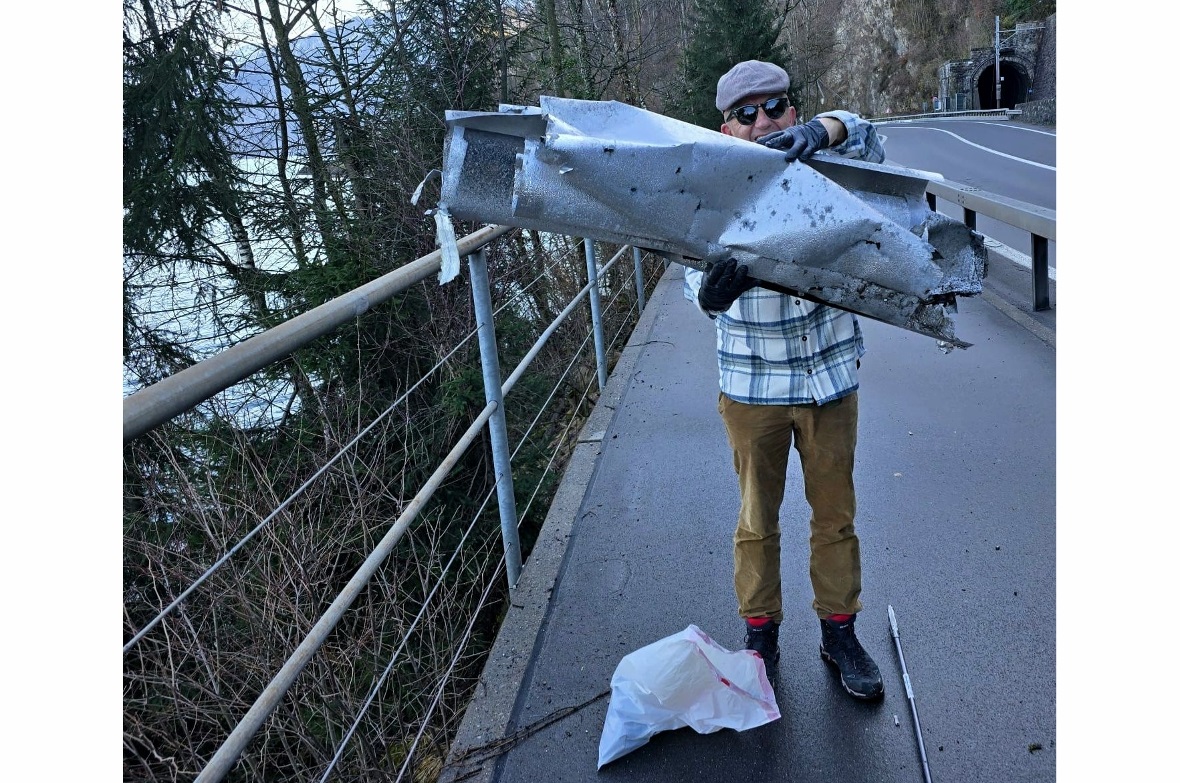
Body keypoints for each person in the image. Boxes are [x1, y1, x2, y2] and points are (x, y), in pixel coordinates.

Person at [682, 60, 888, 700]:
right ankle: (760, 636)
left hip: (830, 377)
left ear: (793, 113)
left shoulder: (823, 158)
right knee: (756, 521)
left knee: (836, 517)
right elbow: (684, 258)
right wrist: (706, 293)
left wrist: (827, 130)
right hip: (752, 387)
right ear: (727, 129)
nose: (763, 122)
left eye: (775, 107)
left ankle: (839, 634)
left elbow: (873, 141)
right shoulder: (712, 184)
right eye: (746, 115)